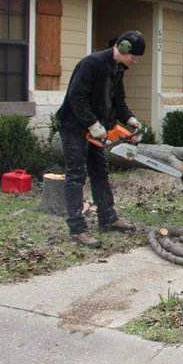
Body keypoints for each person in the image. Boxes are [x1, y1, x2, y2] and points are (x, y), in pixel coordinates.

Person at [56, 31, 146, 247]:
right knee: (76, 174)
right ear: (123, 48)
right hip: (74, 126)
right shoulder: (91, 64)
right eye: (133, 56)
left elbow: (119, 102)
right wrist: (92, 123)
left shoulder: (117, 70)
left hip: (95, 130)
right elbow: (76, 97)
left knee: (100, 171)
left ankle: (107, 218)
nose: (134, 61)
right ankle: (77, 229)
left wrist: (130, 119)